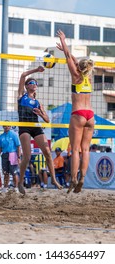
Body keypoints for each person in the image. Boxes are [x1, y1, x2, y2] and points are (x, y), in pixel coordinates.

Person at [56, 30, 95, 193]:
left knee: (75, 149)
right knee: (86, 149)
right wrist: (70, 53)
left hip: (78, 114)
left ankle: (72, 179)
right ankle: (83, 179)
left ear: (79, 67)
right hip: (90, 116)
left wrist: (64, 42)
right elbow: (75, 61)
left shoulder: (75, 76)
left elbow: (68, 58)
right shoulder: (88, 78)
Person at [17, 66, 62, 194]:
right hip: (24, 126)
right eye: (32, 83)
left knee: (47, 152)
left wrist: (41, 114)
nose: (35, 84)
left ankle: (53, 179)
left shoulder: (37, 103)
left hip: (35, 126)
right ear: (27, 86)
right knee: (27, 156)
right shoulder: (21, 96)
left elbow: (47, 120)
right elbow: (23, 74)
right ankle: (20, 183)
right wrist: (37, 70)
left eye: (36, 83)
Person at [0, 124, 21, 193]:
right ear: (3, 127)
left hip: (13, 154)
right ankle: (5, 187)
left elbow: (18, 146)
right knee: (5, 172)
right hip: (4, 155)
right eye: (5, 126)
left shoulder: (14, 135)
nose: (7, 127)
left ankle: (16, 187)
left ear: (10, 127)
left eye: (8, 126)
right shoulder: (1, 136)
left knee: (14, 172)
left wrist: (19, 157)